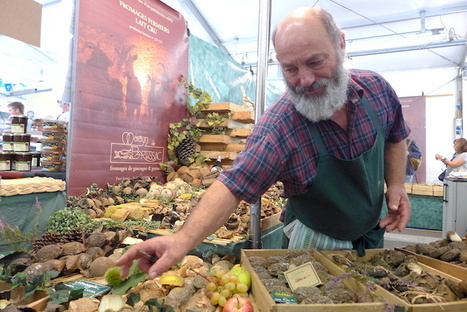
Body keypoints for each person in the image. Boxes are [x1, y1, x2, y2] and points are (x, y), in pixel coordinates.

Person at [115, 7, 411, 280]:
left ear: (341, 44)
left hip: (372, 234)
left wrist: (396, 185)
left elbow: (396, 137)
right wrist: (182, 239)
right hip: (313, 241)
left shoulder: (376, 90)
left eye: (315, 62)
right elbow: (233, 185)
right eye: (290, 69)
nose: (305, 80)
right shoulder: (281, 126)